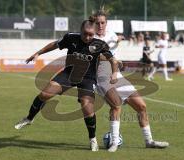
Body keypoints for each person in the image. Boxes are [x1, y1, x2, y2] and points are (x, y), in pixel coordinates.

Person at [14, 19, 118, 152]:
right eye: (85, 34)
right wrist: (38, 53)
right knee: (44, 94)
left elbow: (113, 60)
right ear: (80, 30)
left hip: (87, 79)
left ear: (94, 33)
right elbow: (54, 44)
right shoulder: (70, 37)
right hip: (68, 74)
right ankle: (29, 118)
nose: (87, 37)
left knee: (87, 108)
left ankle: (92, 139)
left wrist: (114, 74)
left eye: (91, 35)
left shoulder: (100, 44)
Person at [91, 10, 169, 152]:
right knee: (116, 105)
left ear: (106, 23)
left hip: (117, 75)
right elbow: (97, 57)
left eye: (103, 23)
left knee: (141, 106)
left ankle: (149, 141)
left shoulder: (111, 35)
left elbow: (112, 51)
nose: (100, 25)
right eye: (98, 23)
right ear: (93, 24)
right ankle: (114, 142)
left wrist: (116, 59)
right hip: (102, 78)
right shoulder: (90, 38)